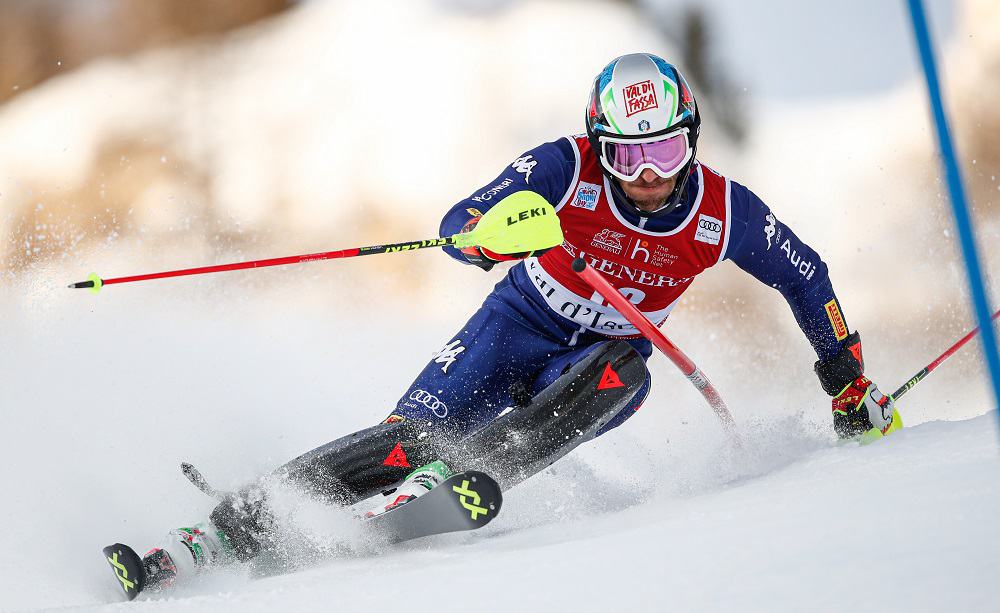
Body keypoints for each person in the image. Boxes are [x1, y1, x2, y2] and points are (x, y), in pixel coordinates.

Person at [127, 52, 902, 590]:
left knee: (623, 373)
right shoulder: (566, 165)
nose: (650, 177)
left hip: (603, 353)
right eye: (628, 159)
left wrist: (846, 380)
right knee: (407, 437)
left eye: (665, 150)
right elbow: (465, 215)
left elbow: (808, 276)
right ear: (603, 147)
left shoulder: (725, 212)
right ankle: (235, 524)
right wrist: (481, 235)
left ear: (690, 138)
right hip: (518, 319)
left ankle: (479, 467)